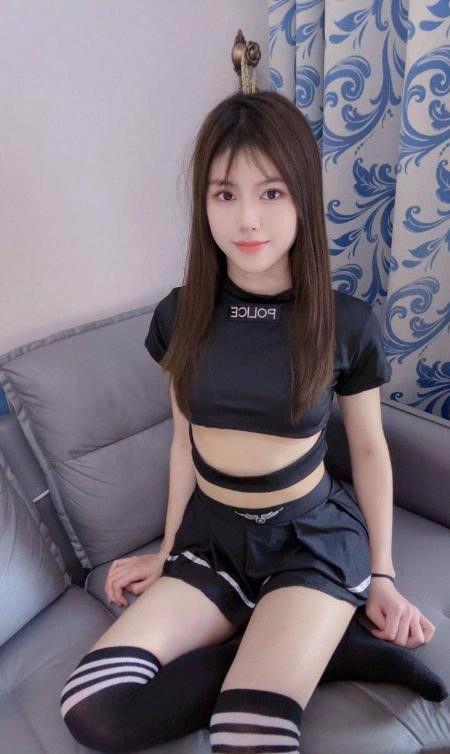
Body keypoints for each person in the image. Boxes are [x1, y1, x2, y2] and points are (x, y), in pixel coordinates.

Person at [60, 90, 444, 754]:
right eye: (224, 194)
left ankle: (313, 635)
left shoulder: (345, 323)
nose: (246, 219)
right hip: (215, 540)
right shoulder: (179, 315)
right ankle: (327, 653)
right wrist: (170, 549)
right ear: (203, 203)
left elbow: (369, 451)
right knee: (91, 709)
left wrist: (382, 575)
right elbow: (185, 441)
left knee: (247, 735)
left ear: (302, 198)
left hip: (310, 540)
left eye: (270, 193)